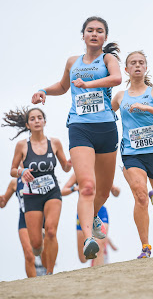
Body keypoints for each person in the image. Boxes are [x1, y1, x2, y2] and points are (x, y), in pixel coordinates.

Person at [31, 16, 122, 259]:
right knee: (88, 187)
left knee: (101, 191)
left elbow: (116, 79)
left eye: (99, 31)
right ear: (82, 35)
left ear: (104, 37)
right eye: (90, 30)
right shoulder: (73, 62)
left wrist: (90, 85)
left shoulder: (108, 59)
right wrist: (43, 90)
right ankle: (88, 239)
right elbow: (63, 87)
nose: (94, 34)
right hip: (80, 127)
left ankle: (92, 218)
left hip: (106, 129)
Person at [111, 50, 153, 259]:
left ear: (146, 67)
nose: (137, 65)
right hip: (131, 154)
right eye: (133, 63)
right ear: (127, 69)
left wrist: (148, 109)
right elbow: (106, 115)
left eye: (141, 63)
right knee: (140, 195)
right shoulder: (120, 96)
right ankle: (145, 247)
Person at [2, 107, 72, 274]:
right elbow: (12, 170)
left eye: (39, 118)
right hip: (31, 196)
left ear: (44, 122)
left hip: (51, 192)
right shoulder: (22, 146)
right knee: (35, 245)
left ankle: (50, 272)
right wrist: (21, 171)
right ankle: (40, 253)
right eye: (32, 119)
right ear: (28, 124)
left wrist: (75, 158)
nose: (37, 121)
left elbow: (66, 167)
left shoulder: (54, 143)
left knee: (51, 230)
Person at [61, 172, 120, 266]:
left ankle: (98, 275)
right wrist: (75, 188)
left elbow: (115, 192)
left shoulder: (100, 171)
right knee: (83, 258)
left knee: (100, 246)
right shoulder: (78, 173)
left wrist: (116, 190)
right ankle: (97, 237)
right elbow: (62, 191)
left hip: (100, 211)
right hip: (83, 213)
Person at [0, 177, 47, 277]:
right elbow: (3, 203)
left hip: (41, 219)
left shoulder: (41, 176)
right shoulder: (15, 182)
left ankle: (49, 279)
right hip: (24, 220)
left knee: (45, 254)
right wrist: (1, 200)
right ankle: (32, 284)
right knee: (29, 255)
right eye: (21, 160)